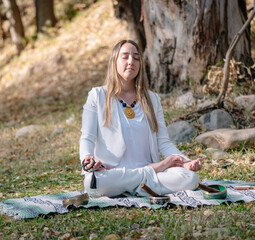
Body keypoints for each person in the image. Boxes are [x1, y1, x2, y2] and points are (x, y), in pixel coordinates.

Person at [79, 40, 202, 198]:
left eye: (136, 58)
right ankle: (143, 185)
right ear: (114, 61)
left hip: (144, 173)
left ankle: (131, 186)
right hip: (113, 172)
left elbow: (163, 142)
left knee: (190, 178)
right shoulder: (97, 96)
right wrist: (87, 158)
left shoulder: (152, 99)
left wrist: (185, 162)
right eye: (125, 57)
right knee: (94, 184)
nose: (131, 61)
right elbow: (87, 138)